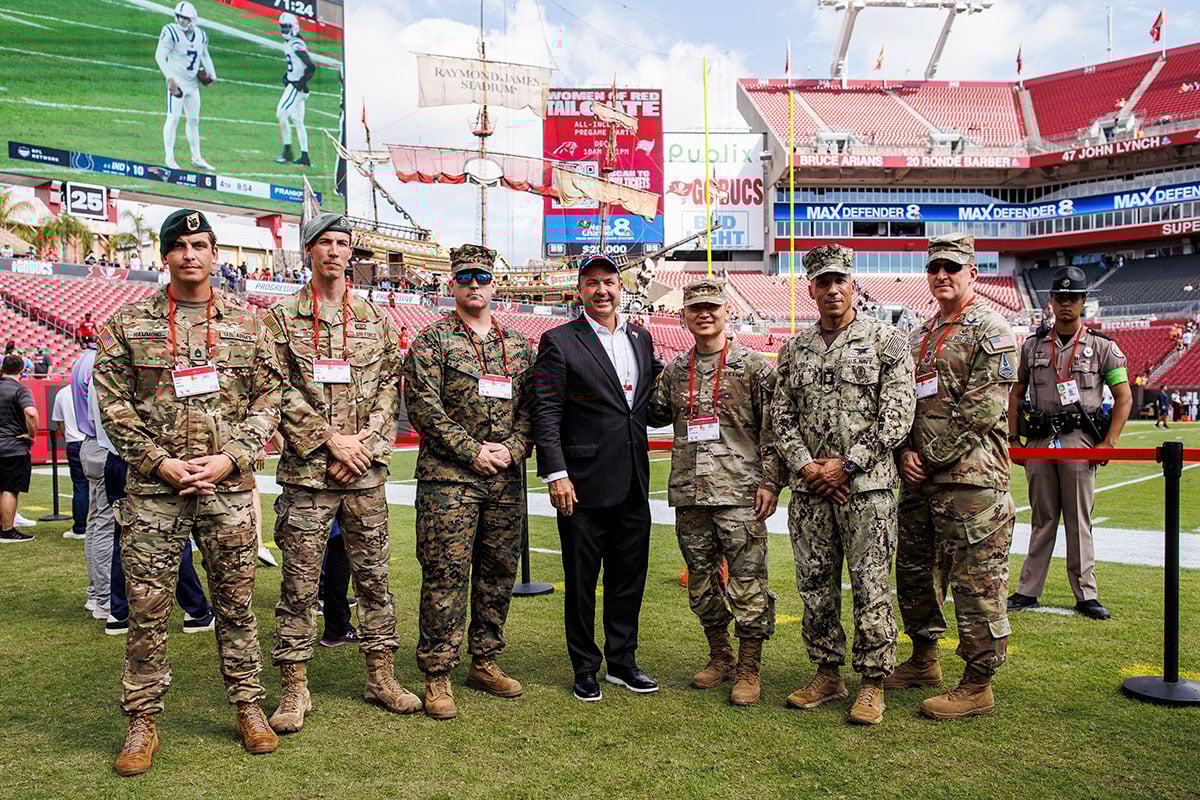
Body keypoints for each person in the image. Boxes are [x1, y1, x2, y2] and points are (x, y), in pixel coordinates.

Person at [94, 209, 283, 776]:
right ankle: (142, 720)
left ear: (215, 254)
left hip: (227, 490)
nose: (191, 255)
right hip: (156, 492)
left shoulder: (250, 327)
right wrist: (161, 462)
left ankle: (249, 707)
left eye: (201, 244)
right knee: (149, 609)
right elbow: (112, 403)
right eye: (179, 246)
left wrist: (232, 456)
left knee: (237, 605)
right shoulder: (127, 325)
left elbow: (270, 399)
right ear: (165, 256)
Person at [263, 212, 419, 735]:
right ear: (309, 251)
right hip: (309, 474)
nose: (333, 251)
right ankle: (294, 689)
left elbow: (386, 389)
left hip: (365, 475)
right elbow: (276, 388)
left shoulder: (375, 318)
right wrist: (332, 440)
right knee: (299, 584)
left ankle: (381, 675)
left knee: (375, 580)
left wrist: (362, 446)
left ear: (352, 252)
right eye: (323, 242)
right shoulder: (281, 318)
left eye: (341, 243)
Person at [772, 246, 915, 725]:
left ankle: (873, 682)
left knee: (871, 584)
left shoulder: (887, 342)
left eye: (840, 280)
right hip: (812, 490)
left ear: (853, 284)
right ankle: (827, 672)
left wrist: (847, 465)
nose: (832, 289)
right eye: (822, 282)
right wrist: (808, 467)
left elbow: (897, 414)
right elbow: (781, 415)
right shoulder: (794, 349)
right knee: (815, 585)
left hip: (867, 490)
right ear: (810, 289)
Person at [887, 233, 1018, 721]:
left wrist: (931, 456)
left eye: (953, 268)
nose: (942, 275)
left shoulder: (992, 329)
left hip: (970, 482)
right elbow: (902, 403)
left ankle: (978, 683)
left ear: (973, 274)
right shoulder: (920, 334)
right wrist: (905, 452)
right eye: (935, 267)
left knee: (976, 581)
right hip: (920, 480)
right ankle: (924, 660)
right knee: (916, 575)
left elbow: (982, 407)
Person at [404, 244, 536, 720]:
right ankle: (437, 672)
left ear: (494, 282)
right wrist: (472, 451)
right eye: (465, 278)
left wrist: (515, 448)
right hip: (448, 480)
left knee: (498, 571)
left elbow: (532, 411)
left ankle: (485, 658)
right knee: (446, 573)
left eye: (482, 276)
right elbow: (423, 407)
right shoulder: (431, 341)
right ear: (452, 284)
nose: (474, 285)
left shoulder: (521, 345)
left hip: (504, 478)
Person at [646, 278, 781, 706]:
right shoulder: (673, 371)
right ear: (683, 315)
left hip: (740, 493)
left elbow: (774, 430)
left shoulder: (754, 366)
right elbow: (651, 414)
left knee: (747, 584)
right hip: (691, 492)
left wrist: (771, 482)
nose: (704, 314)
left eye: (712, 307)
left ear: (727, 312)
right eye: (695, 308)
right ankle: (720, 654)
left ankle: (748, 667)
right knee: (702, 584)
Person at [532, 254, 661, 702]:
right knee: (582, 580)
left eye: (609, 282)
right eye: (592, 283)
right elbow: (546, 411)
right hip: (582, 483)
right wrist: (556, 473)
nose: (601, 290)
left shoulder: (642, 339)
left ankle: (622, 662)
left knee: (630, 577)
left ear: (620, 287)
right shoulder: (559, 340)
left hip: (634, 482)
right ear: (580, 290)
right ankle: (585, 666)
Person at [1008, 267, 1131, 621]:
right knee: (1042, 518)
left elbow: (1123, 397)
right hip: (1040, 439)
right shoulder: (1031, 345)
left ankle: (1086, 594)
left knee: (1078, 520)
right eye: (1060, 298)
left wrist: (1110, 441)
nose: (1066, 305)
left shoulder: (1102, 346)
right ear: (1050, 302)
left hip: (1079, 439)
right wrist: (1013, 438)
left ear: (1083, 302)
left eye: (1073, 298)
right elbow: (1016, 392)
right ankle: (1028, 590)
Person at [93, 369, 215, 637]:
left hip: (117, 456)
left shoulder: (103, 373)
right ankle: (196, 609)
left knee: (124, 537)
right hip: (145, 461)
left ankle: (120, 611)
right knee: (170, 534)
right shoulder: (134, 374)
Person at [72, 336, 115, 620]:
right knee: (105, 525)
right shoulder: (98, 363)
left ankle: (95, 594)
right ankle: (104, 598)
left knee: (97, 521)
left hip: (89, 442)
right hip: (102, 444)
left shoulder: (81, 361)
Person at [155, 2, 216, 170]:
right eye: (179, 18)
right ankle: (169, 158)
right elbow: (160, 56)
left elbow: (204, 54)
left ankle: (196, 158)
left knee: (194, 120)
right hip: (177, 83)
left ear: (193, 19)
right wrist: (170, 78)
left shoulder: (201, 36)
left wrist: (212, 74)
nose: (181, 22)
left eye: (185, 19)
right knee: (173, 117)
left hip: (192, 84)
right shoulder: (171, 32)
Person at [0, 354, 37, 544]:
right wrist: (32, 435)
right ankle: (7, 530)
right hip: (12, 447)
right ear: (22, 370)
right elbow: (31, 413)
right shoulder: (20, 390)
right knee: (10, 489)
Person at [273, 12, 315, 166]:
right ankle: (305, 157)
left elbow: (310, 66)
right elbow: (298, 65)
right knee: (298, 121)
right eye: (282, 27)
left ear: (294, 27)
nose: (284, 30)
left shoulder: (296, 44)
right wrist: (288, 76)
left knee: (281, 113)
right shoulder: (293, 42)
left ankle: (287, 151)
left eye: (287, 27)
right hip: (296, 84)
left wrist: (301, 82)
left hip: (296, 87)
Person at [51, 382, 88, 540]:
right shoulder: (91, 389)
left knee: (80, 487)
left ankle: (79, 528)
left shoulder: (62, 393)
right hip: (94, 442)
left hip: (74, 442)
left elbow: (60, 423)